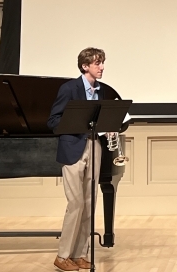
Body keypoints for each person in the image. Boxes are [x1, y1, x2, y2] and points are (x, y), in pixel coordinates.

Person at [47, 47, 125, 271]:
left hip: (94, 147)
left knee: (90, 203)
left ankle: (80, 254)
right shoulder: (69, 88)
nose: (101, 67)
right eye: (97, 63)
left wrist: (107, 128)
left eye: (102, 63)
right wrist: (73, 124)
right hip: (73, 148)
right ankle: (63, 255)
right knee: (76, 203)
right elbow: (53, 120)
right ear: (85, 66)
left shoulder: (100, 91)